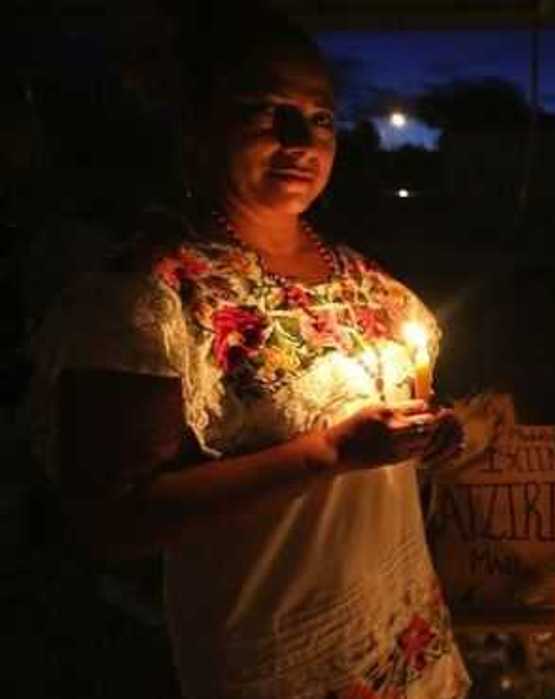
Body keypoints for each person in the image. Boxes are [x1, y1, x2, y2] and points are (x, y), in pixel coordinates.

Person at [27, 6, 470, 698]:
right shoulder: (150, 300)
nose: (300, 139)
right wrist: (328, 453)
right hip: (278, 655)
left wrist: (431, 433)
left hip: (402, 633)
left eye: (320, 117)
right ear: (196, 125)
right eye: (266, 111)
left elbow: (392, 430)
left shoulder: (369, 286)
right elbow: (109, 522)